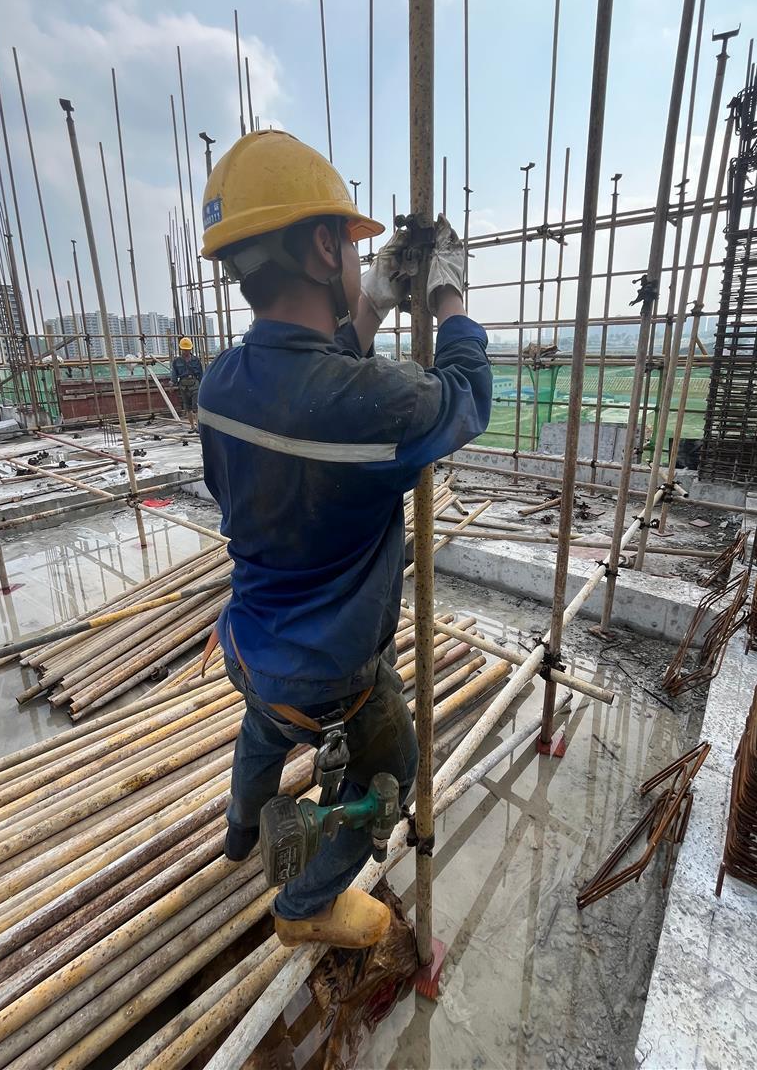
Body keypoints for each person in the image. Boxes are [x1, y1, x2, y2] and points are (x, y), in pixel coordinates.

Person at [198, 130, 492, 950]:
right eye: (351, 246)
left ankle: (240, 830)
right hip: (332, 681)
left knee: (262, 728)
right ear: (326, 246)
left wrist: (371, 305)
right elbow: (467, 393)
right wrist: (448, 300)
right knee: (394, 774)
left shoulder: (219, 387)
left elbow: (313, 395)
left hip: (249, 646)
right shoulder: (372, 404)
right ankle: (304, 906)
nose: (360, 259)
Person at [171, 337, 203, 430]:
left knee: (196, 406)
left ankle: (198, 426)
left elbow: (201, 374)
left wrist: (202, 385)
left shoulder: (196, 360)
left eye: (188, 350)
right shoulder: (177, 361)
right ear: (181, 349)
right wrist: (172, 382)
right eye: (184, 350)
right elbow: (174, 374)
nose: (186, 352)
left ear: (190, 349)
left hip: (195, 385)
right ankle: (192, 426)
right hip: (183, 386)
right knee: (188, 407)